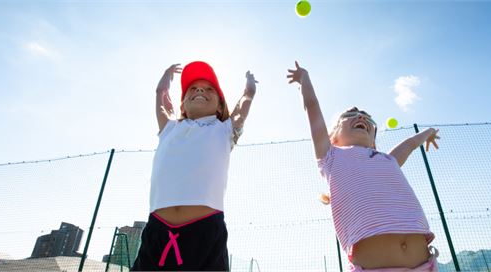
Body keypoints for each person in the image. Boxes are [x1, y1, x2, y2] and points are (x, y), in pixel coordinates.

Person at [287, 61, 441, 272]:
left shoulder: (388, 160)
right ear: (332, 138)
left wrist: (429, 131)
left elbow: (411, 144)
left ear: (374, 142)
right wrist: (304, 79)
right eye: (350, 115)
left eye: (367, 118)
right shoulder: (331, 156)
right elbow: (312, 106)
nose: (360, 117)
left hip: (424, 265)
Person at [131, 61, 258, 271]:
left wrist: (249, 90)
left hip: (205, 234)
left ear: (219, 105)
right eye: (193, 88)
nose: (200, 90)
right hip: (157, 233)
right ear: (182, 105)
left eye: (209, 89)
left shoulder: (224, 130)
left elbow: (242, 107)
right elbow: (160, 97)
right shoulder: (169, 128)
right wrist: (164, 81)